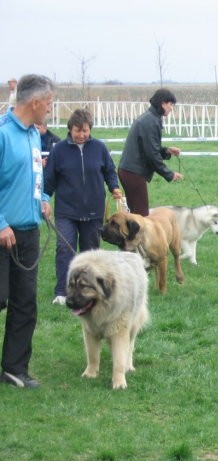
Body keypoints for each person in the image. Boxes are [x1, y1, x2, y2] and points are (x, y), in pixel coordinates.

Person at [0, 74, 54, 388]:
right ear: (34, 103)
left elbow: (35, 176)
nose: (50, 109)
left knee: (25, 302)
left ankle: (14, 369)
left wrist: (43, 199)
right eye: (48, 103)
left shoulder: (35, 135)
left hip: (29, 232)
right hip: (3, 233)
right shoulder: (4, 134)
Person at [44, 108, 122, 305]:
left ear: (90, 130)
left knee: (91, 252)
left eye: (85, 130)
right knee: (64, 249)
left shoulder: (100, 148)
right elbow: (49, 179)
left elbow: (110, 171)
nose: (81, 134)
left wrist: (114, 187)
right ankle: (62, 292)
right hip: (66, 212)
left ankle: (91, 290)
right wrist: (44, 199)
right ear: (70, 129)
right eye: (77, 130)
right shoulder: (58, 150)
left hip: (94, 211)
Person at [118, 88, 182, 216]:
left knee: (135, 216)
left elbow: (150, 147)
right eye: (170, 105)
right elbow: (152, 155)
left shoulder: (151, 118)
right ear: (163, 103)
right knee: (141, 216)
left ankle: (129, 236)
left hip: (128, 171)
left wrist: (167, 150)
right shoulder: (151, 122)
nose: (171, 108)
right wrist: (168, 174)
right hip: (133, 173)